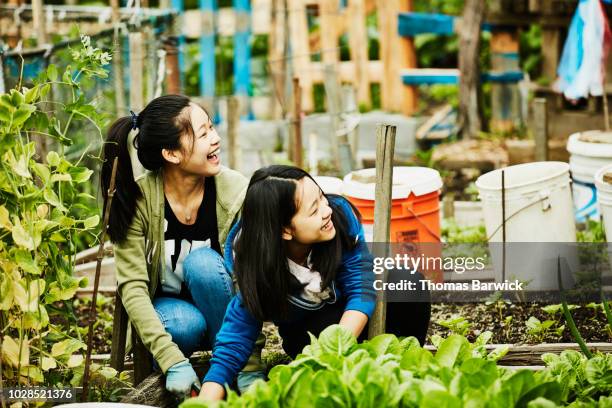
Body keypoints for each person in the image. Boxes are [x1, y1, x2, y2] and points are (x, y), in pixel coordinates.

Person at [198, 165, 431, 400]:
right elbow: (234, 339)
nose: (326, 210)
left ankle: (404, 373)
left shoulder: (339, 217)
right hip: (310, 336)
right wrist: (205, 401)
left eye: (321, 197)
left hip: (352, 317)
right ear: (285, 230)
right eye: (313, 210)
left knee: (407, 282)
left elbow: (360, 287)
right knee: (324, 328)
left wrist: (338, 346)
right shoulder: (257, 264)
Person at [101, 94, 262, 398]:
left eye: (212, 128)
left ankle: (234, 365)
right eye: (203, 134)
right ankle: (191, 370)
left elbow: (246, 277)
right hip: (172, 314)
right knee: (186, 324)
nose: (215, 139)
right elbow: (133, 287)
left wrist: (250, 362)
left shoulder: (234, 190)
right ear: (172, 154)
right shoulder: (139, 200)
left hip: (224, 313)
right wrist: (171, 359)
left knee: (202, 263)